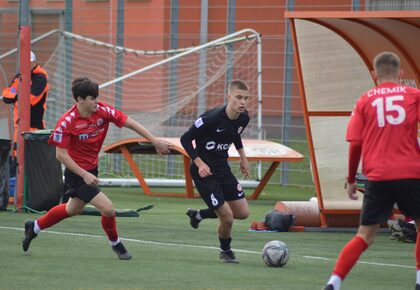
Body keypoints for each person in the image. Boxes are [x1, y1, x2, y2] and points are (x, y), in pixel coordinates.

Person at [21, 76, 173, 260]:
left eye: (97, 97)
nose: (96, 101)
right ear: (80, 100)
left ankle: (34, 227)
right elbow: (60, 155)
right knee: (108, 208)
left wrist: (155, 141)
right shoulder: (67, 122)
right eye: (92, 98)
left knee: (72, 209)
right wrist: (84, 174)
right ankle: (116, 245)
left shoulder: (102, 111)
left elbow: (130, 122)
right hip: (77, 173)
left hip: (91, 170)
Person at [323, 52, 420, 290]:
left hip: (378, 176)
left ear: (374, 74)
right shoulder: (413, 95)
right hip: (410, 173)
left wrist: (351, 180)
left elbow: (355, 143)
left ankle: (333, 283)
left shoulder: (364, 100)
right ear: (400, 74)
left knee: (365, 235)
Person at [180, 79, 251, 263]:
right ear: (228, 97)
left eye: (246, 98)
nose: (243, 102)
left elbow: (235, 135)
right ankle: (225, 250)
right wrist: (199, 163)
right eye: (238, 97)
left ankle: (198, 215)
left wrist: (243, 157)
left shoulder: (244, 117)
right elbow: (185, 140)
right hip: (204, 174)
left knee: (243, 213)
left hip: (223, 170)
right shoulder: (210, 119)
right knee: (227, 217)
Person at [1, 51, 49, 157]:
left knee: (32, 158)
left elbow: (30, 100)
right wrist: (17, 96)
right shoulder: (20, 77)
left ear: (34, 62)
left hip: (34, 127)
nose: (26, 65)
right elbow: (6, 94)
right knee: (17, 157)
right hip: (19, 126)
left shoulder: (40, 77)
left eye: (29, 62)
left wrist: (15, 96)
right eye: (24, 62)